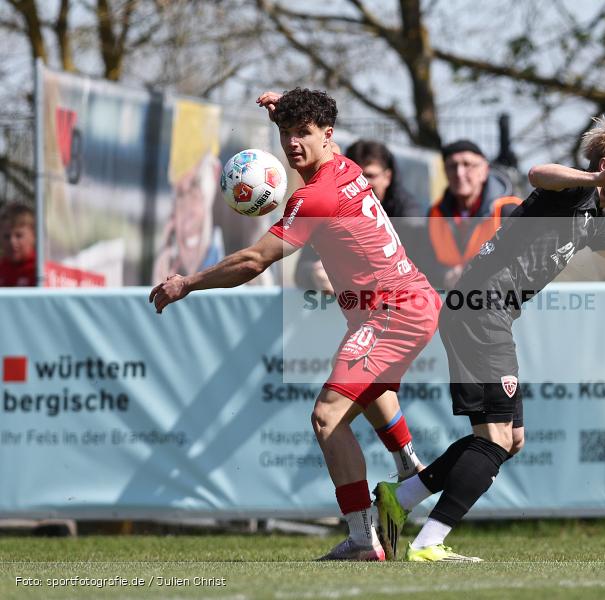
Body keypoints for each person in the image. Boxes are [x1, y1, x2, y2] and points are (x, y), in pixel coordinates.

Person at [374, 111, 605, 561]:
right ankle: (429, 542)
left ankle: (398, 499)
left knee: (510, 441)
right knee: (495, 438)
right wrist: (597, 174)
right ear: (604, 166)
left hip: (484, 315)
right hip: (480, 312)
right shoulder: (573, 192)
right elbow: (539, 173)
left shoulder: (592, 219)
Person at [150, 88, 442, 561]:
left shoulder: (316, 196)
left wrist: (188, 284)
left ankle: (364, 538)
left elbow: (251, 261)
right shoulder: (343, 167)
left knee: (327, 418)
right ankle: (408, 467)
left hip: (394, 311)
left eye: (302, 133)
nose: (291, 143)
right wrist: (286, 106)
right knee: (365, 388)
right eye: (285, 133)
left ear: (328, 136)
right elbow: (313, 127)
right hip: (404, 304)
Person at [296, 139, 424, 293]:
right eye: (355, 175)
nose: (362, 183)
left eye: (370, 175)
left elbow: (422, 265)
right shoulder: (327, 212)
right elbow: (301, 270)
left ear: (387, 177)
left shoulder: (407, 216)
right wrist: (314, 274)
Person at [423, 140, 521, 290]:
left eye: (467, 165)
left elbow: (520, 264)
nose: (459, 173)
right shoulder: (434, 213)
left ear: (484, 171)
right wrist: (445, 276)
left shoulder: (509, 210)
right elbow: (425, 262)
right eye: (452, 166)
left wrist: (472, 275)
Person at [153, 101, 225, 284]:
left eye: (195, 187)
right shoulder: (168, 266)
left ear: (215, 174)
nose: (188, 216)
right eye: (180, 195)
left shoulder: (234, 254)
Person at [0, 202, 37, 287]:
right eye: (6, 236)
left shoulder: (40, 271)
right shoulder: (1, 269)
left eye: (19, 235)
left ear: (33, 236)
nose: (12, 241)